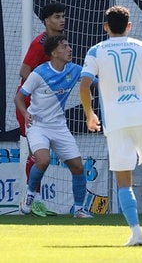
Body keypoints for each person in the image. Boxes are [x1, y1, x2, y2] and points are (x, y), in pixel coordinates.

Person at [79, 5, 142, 246]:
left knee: (124, 180)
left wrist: (89, 114)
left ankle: (136, 232)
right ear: (129, 26)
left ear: (105, 27)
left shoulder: (96, 51)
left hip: (116, 120)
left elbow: (84, 86)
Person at [14, 34, 93, 219]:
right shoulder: (39, 73)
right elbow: (18, 97)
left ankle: (79, 209)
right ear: (54, 53)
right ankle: (29, 197)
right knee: (43, 160)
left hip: (59, 127)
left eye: (69, 45)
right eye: (65, 46)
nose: (69, 49)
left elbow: (93, 82)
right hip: (37, 125)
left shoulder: (74, 70)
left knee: (78, 167)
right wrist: (25, 113)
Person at [16, 2, 66, 217]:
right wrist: (42, 90)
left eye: (63, 16)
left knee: (40, 155)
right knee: (36, 155)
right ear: (46, 21)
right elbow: (24, 71)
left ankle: (34, 200)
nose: (62, 20)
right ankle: (32, 200)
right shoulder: (40, 43)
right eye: (56, 16)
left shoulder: (59, 43)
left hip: (45, 106)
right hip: (29, 104)